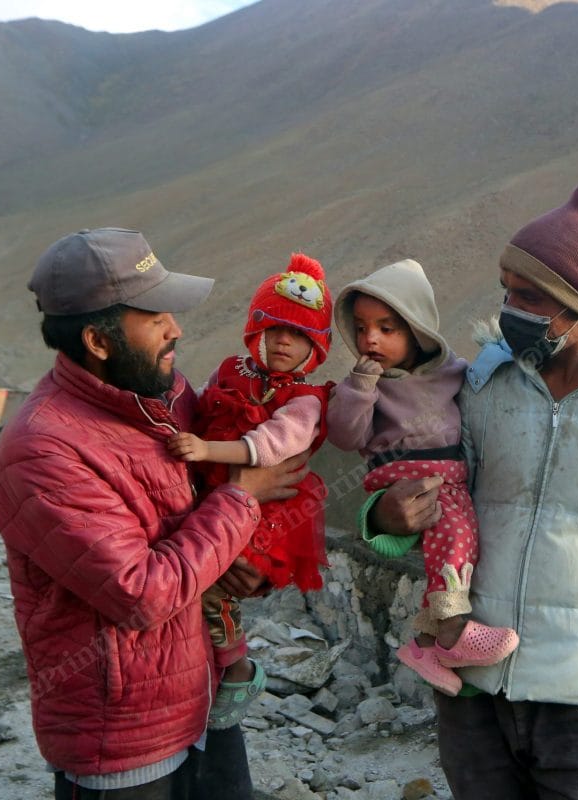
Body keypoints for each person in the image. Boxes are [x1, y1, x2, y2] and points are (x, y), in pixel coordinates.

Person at [364, 184, 578, 798]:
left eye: (530, 296)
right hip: (471, 679)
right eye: (506, 289)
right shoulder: (483, 384)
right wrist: (385, 515)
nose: (509, 307)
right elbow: (437, 481)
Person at [0, 227, 306, 800]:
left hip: (201, 702)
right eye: (155, 316)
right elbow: (141, 593)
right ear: (99, 341)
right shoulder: (43, 450)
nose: (176, 329)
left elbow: (197, 521)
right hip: (125, 743)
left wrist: (237, 557)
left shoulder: (163, 396)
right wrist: (242, 500)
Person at [325, 259, 519, 696]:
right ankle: (452, 630)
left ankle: (426, 645)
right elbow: (345, 435)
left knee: (462, 535)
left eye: (387, 328)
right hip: (407, 475)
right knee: (453, 536)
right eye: (361, 327)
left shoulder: (452, 373)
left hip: (449, 475)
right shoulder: (365, 384)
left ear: (418, 330)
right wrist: (359, 388)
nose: (369, 339)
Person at [166, 253, 334, 729]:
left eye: (299, 334)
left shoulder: (305, 402)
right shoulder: (230, 372)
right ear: (254, 331)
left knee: (211, 587)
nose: (284, 341)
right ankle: (215, 673)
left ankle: (236, 667)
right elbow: (194, 406)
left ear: (315, 349)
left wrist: (205, 449)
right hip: (215, 497)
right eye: (275, 329)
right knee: (198, 583)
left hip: (267, 512)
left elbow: (268, 447)